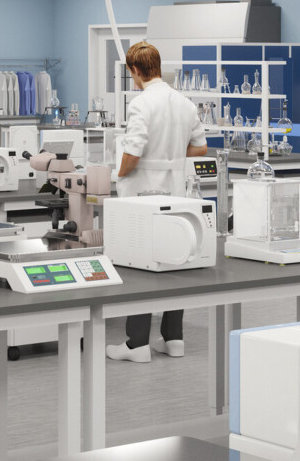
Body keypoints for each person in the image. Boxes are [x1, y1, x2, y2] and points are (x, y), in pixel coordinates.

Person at [107, 41, 208, 363]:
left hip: (142, 193)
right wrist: (172, 155)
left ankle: (136, 344)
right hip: (176, 189)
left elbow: (132, 153)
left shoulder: (141, 104)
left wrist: (117, 174)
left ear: (134, 70)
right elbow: (201, 148)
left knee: (138, 266)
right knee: (172, 260)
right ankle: (173, 338)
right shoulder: (184, 103)